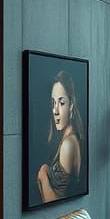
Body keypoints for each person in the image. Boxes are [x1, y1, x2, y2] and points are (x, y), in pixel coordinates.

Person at [37, 70, 85, 202]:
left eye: (62, 103)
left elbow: (54, 201)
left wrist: (43, 175)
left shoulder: (68, 144)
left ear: (71, 106)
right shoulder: (70, 137)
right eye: (53, 103)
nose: (55, 111)